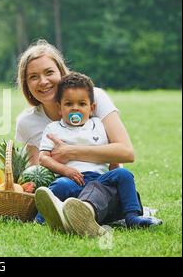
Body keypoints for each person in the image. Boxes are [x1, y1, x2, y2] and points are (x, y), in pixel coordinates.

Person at [15, 39, 145, 236]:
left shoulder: (93, 98)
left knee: (108, 184)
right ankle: (57, 217)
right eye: (33, 76)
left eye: (49, 72)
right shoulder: (27, 122)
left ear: (61, 72)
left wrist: (70, 151)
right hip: (68, 184)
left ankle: (89, 214)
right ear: (26, 84)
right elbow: (36, 172)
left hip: (103, 186)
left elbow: (125, 152)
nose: (43, 81)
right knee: (59, 187)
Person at [34, 73, 162, 237]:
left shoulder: (98, 125)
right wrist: (66, 171)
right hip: (73, 180)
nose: (75, 108)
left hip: (100, 179)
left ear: (91, 107)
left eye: (81, 103)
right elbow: (43, 158)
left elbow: (112, 152)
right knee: (59, 186)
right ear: (59, 108)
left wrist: (114, 165)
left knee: (123, 174)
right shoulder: (53, 129)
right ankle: (45, 217)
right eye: (68, 104)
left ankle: (133, 217)